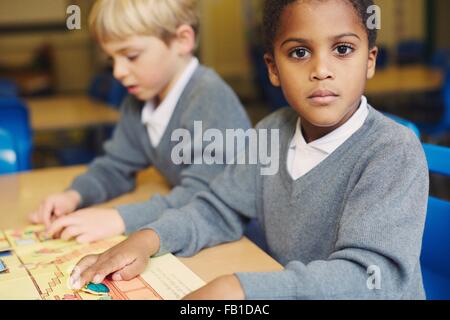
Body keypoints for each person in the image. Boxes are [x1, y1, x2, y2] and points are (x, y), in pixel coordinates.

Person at [70, 0, 429, 299]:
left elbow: (370, 279)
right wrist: (149, 239)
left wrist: (240, 290)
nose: (322, 70)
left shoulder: (391, 151)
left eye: (343, 49)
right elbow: (218, 208)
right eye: (299, 52)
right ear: (273, 68)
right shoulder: (272, 132)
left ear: (370, 60)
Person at [28, 0, 251, 244]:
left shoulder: (210, 97)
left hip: (242, 237)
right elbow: (115, 166)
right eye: (112, 59)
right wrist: (75, 195)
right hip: (190, 227)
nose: (118, 72)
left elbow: (205, 198)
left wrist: (119, 219)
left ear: (182, 41)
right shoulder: (140, 100)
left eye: (131, 56)